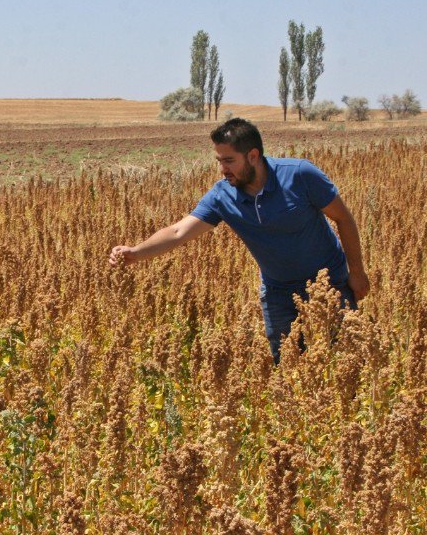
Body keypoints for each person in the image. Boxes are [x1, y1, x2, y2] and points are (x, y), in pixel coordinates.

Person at [108, 117, 370, 364]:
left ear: (253, 156)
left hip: (330, 285)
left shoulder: (299, 175)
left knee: (344, 361)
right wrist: (136, 252)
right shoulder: (223, 195)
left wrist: (356, 272)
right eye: (219, 161)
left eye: (229, 161)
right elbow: (179, 232)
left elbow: (343, 219)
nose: (223, 169)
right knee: (289, 371)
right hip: (279, 293)